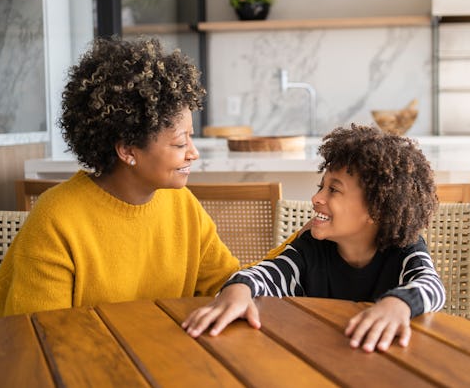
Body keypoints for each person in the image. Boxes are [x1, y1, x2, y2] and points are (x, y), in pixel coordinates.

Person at [0, 37, 240, 316]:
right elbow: (39, 337)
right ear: (127, 149)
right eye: (180, 143)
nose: (193, 153)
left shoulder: (182, 205)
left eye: (191, 139)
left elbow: (229, 282)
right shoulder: (56, 219)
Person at [182, 124, 446, 353]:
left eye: (333, 189)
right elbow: (269, 273)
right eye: (321, 186)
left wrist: (398, 304)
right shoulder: (310, 247)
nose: (317, 198)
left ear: (376, 209)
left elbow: (431, 285)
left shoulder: (404, 249)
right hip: (314, 356)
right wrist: (238, 289)